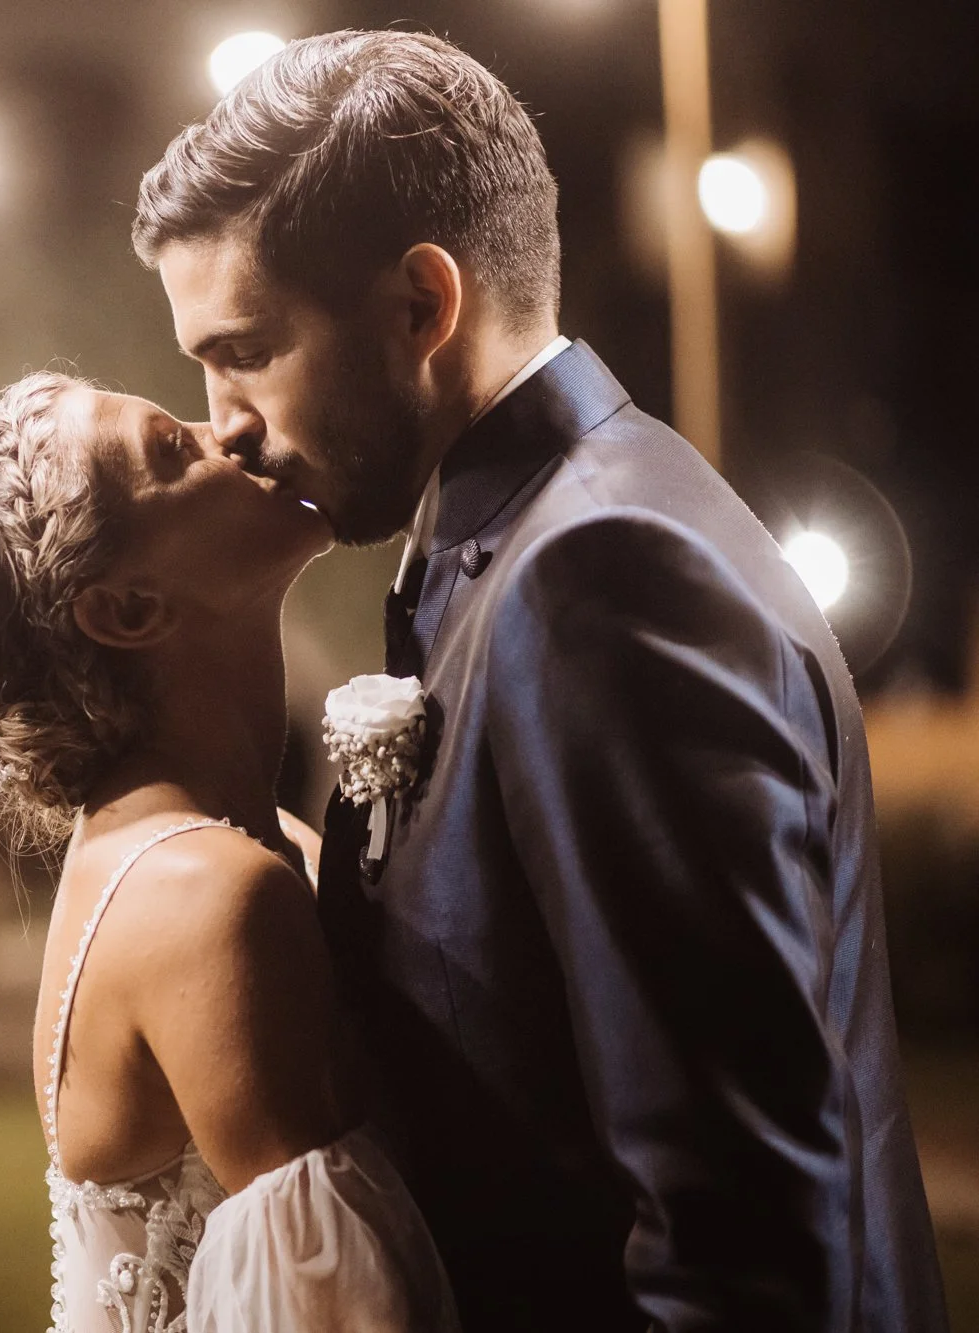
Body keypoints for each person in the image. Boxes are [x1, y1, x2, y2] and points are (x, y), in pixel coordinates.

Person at [133, 28, 948, 1333]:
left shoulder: (604, 578)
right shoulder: (497, 542)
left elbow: (742, 1241)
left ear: (421, 306)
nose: (222, 415)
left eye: (245, 348)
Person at [0, 373, 459, 1332]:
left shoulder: (229, 851)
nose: (227, 430)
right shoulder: (203, 898)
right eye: (172, 450)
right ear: (132, 608)